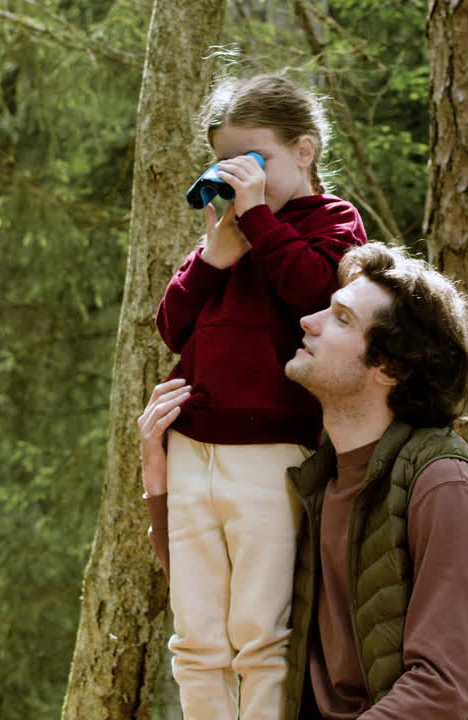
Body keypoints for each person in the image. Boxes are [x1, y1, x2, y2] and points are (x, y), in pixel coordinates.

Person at [142, 243, 468, 720]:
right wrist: (158, 482)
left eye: (341, 319)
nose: (308, 321)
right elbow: (219, 597)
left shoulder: (446, 488)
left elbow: (439, 691)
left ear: (390, 368)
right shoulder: (316, 480)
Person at [153, 72, 368, 720]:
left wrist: (256, 220)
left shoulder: (333, 220)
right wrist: (211, 257)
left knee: (259, 633)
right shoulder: (228, 232)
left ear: (304, 151)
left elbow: (314, 293)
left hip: (273, 451)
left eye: (256, 160)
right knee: (196, 637)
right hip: (192, 446)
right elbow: (171, 326)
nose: (240, 176)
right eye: (228, 163)